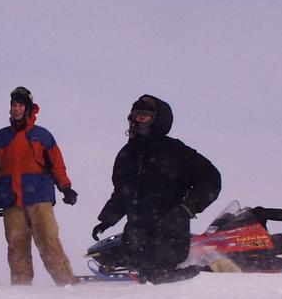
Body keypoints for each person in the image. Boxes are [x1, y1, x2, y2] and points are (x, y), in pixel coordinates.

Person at [91, 95, 221, 284]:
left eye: (144, 116)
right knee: (145, 282)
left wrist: (187, 208)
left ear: (158, 119)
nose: (138, 120)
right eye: (136, 116)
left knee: (161, 279)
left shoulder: (176, 151)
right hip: (136, 235)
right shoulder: (127, 155)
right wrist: (106, 220)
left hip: (170, 233)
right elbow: (121, 193)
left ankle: (208, 275)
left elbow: (211, 179)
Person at [0, 87, 79, 286]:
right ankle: (21, 287)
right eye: (13, 105)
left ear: (28, 109)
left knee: (48, 240)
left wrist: (65, 187)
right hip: (11, 199)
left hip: (39, 197)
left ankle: (67, 283)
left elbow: (57, 164)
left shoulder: (42, 136)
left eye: (20, 105)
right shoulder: (1, 137)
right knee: (17, 244)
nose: (16, 109)